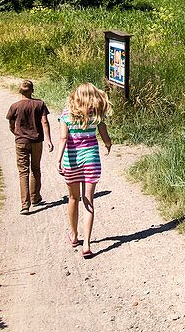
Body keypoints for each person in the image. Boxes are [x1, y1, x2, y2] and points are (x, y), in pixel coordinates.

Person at [56, 83, 112, 258]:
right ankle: (87, 244)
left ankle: (74, 235)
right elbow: (105, 137)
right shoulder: (96, 116)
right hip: (91, 162)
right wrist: (108, 145)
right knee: (89, 201)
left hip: (71, 161)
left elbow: (63, 138)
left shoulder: (66, 114)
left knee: (73, 199)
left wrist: (58, 159)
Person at [6, 80, 54, 214]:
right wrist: (49, 140)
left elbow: (11, 124)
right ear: (32, 91)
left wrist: (16, 133)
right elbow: (45, 122)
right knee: (35, 168)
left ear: (20, 91)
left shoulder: (14, 106)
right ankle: (35, 197)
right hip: (37, 140)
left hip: (21, 141)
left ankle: (24, 205)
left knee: (23, 172)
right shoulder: (40, 104)